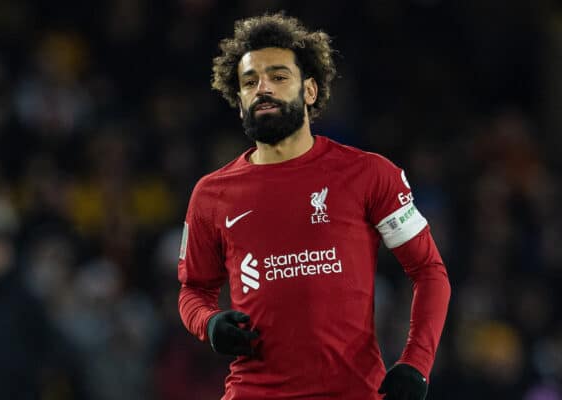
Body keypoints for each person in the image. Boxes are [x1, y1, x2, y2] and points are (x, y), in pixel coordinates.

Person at [178, 13, 451, 400]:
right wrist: (210, 323)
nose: (263, 89)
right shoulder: (211, 194)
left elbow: (429, 271)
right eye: (250, 82)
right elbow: (193, 291)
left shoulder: (369, 174)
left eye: (278, 76)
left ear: (309, 90)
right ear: (238, 99)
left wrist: (416, 364)